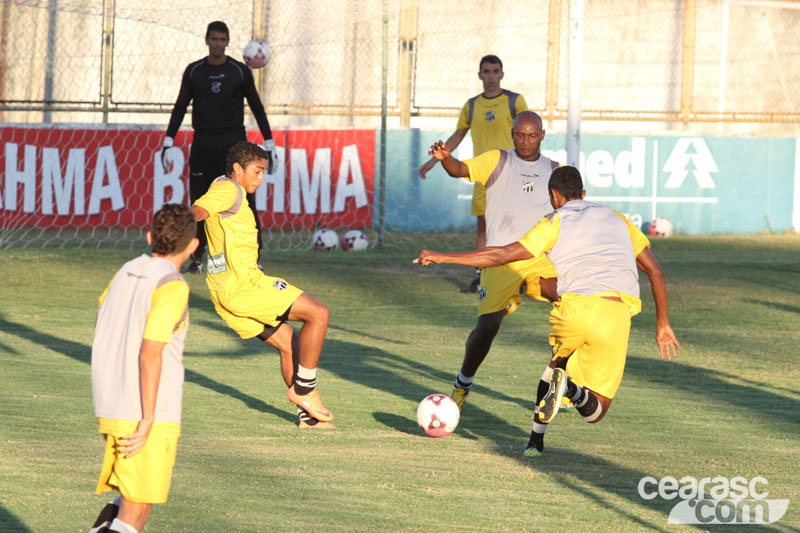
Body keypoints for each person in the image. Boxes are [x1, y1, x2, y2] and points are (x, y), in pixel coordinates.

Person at [413, 166, 681, 456]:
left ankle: (535, 443)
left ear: (553, 196)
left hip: (573, 310)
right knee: (595, 411)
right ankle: (570, 392)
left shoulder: (554, 221)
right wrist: (663, 323)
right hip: (615, 312)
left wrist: (443, 257)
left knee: (555, 367)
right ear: (584, 194)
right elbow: (656, 272)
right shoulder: (617, 218)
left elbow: (502, 255)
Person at [190, 141, 334, 428]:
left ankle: (309, 418)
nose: (261, 178)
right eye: (257, 171)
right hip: (245, 286)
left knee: (288, 343)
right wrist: (172, 227)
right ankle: (305, 391)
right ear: (237, 169)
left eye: (263, 172)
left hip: (223, 292)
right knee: (318, 312)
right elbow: (197, 211)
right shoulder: (228, 189)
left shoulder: (225, 186)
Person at [426, 110, 559, 413]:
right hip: (500, 257)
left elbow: (570, 209)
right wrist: (446, 157)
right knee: (487, 327)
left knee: (569, 302)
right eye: (521, 135)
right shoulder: (497, 160)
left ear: (542, 135)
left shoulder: (554, 169)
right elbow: (458, 169)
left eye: (532, 135)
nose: (526, 141)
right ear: (513, 133)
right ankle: (463, 383)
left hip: (539, 257)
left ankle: (560, 381)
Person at [89, 204, 198, 533]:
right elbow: (151, 352)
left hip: (111, 400)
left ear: (150, 236)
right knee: (135, 513)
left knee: (127, 500)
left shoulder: (126, 269)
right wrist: (148, 418)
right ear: (193, 246)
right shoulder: (172, 285)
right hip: (146, 411)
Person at [161, 20, 278, 274]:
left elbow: (257, 106)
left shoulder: (239, 71)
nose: (218, 44)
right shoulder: (195, 71)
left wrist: (269, 142)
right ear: (206, 40)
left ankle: (253, 257)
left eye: (222, 39)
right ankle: (197, 257)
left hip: (234, 147)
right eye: (213, 39)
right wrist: (168, 140)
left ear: (227, 42)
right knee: (201, 202)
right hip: (203, 144)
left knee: (245, 199)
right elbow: (180, 106)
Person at [418, 54, 528, 293]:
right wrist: (433, 161)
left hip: (511, 171)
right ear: (479, 75)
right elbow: (458, 134)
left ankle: (519, 276)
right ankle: (481, 277)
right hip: (483, 174)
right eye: (486, 72)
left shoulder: (514, 101)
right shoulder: (472, 105)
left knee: (516, 224)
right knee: (484, 226)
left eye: (494, 71)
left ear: (501, 74)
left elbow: (526, 130)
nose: (490, 77)